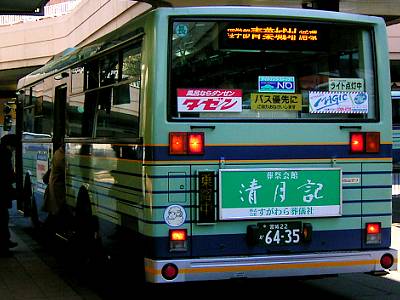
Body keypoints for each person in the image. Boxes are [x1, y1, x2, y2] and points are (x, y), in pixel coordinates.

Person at [0, 134, 18, 255]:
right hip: (1, 192)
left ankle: (6, 241)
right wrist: (15, 177)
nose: (15, 149)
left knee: (3, 217)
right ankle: (3, 247)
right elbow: (7, 174)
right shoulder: (5, 154)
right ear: (10, 145)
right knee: (2, 219)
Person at [42, 142, 66, 233]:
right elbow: (66, 169)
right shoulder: (60, 155)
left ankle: (48, 231)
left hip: (55, 187)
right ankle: (47, 232)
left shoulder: (58, 153)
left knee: (54, 213)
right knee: (56, 212)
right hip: (57, 188)